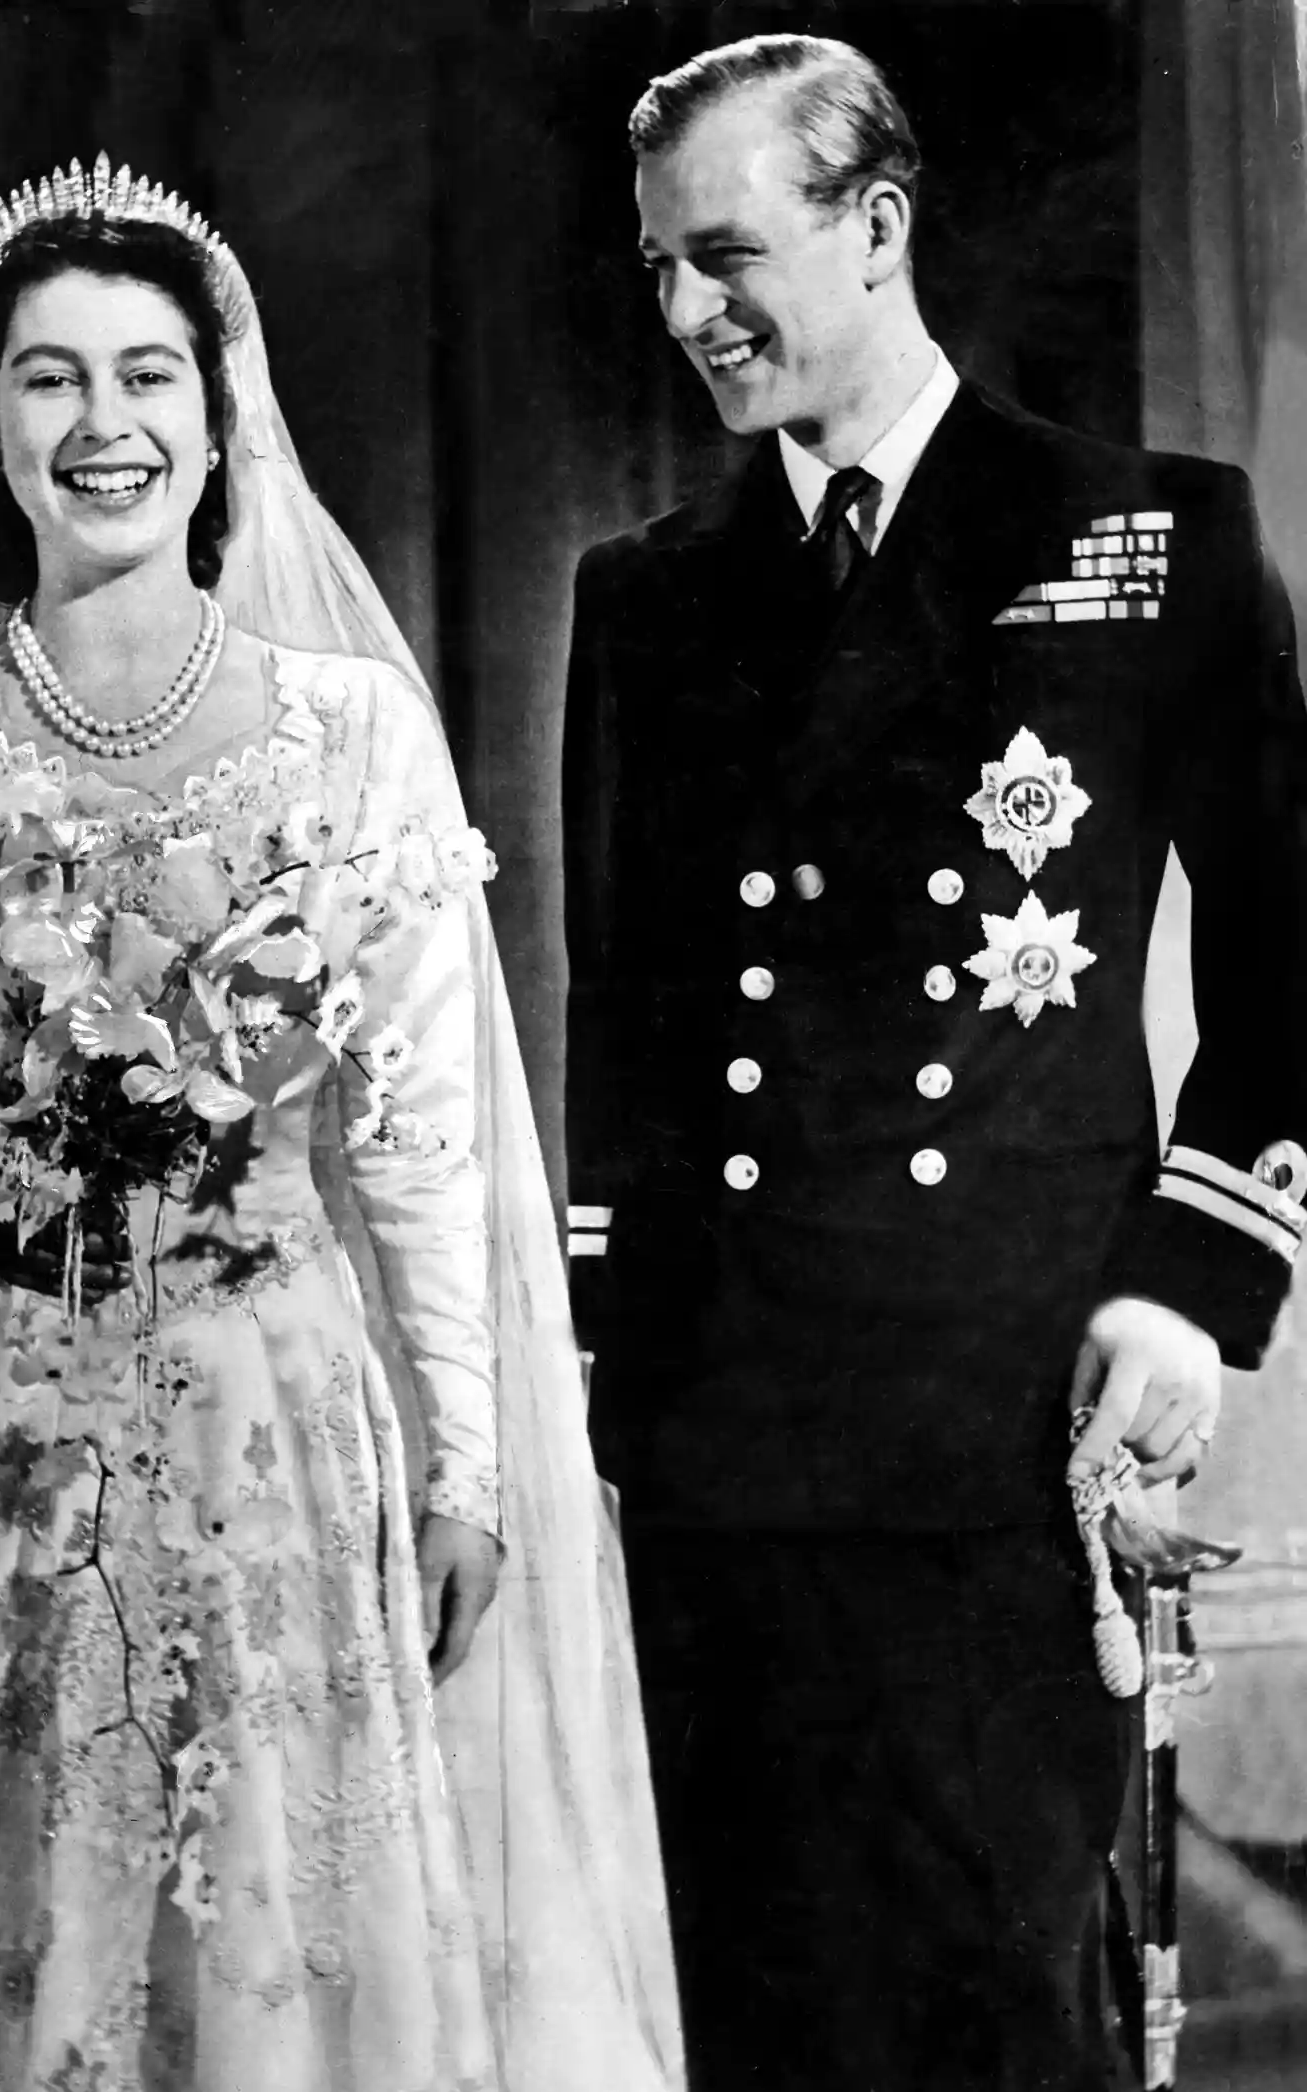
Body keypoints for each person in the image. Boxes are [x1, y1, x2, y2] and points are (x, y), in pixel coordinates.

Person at [0, 159, 684, 2091]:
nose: (105, 424)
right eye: (51, 379)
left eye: (148, 375)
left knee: (256, 1950)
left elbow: (420, 1139)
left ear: (219, 420)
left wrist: (473, 1471)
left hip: (269, 1429)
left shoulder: (354, 733)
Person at [562, 33, 1307, 2092]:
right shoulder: (645, 597)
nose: (688, 309)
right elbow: (624, 1027)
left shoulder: (1142, 536)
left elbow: (1292, 961)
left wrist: (1189, 1283)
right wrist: (605, 1378)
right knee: (751, 2016)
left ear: (878, 225)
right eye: (658, 266)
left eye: (728, 253)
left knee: (992, 2012)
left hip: (998, 1415)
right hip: (718, 1443)